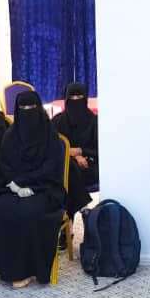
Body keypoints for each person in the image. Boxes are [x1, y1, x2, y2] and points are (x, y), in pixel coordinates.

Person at [0, 91, 66, 288]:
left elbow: (51, 167)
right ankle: (3, 267)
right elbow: (4, 165)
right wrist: (14, 185)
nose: (28, 112)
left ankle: (29, 269)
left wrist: (27, 183)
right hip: (13, 188)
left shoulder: (50, 136)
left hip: (44, 188)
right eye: (23, 108)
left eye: (32, 108)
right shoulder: (10, 136)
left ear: (39, 109)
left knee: (28, 213)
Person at [51, 82, 96, 219]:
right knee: (69, 169)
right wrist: (72, 155)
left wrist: (82, 151)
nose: (76, 102)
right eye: (72, 98)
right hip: (66, 166)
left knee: (69, 174)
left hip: (89, 166)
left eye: (79, 98)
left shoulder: (94, 122)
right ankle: (84, 208)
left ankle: (69, 218)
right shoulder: (57, 121)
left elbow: (101, 150)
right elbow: (51, 148)